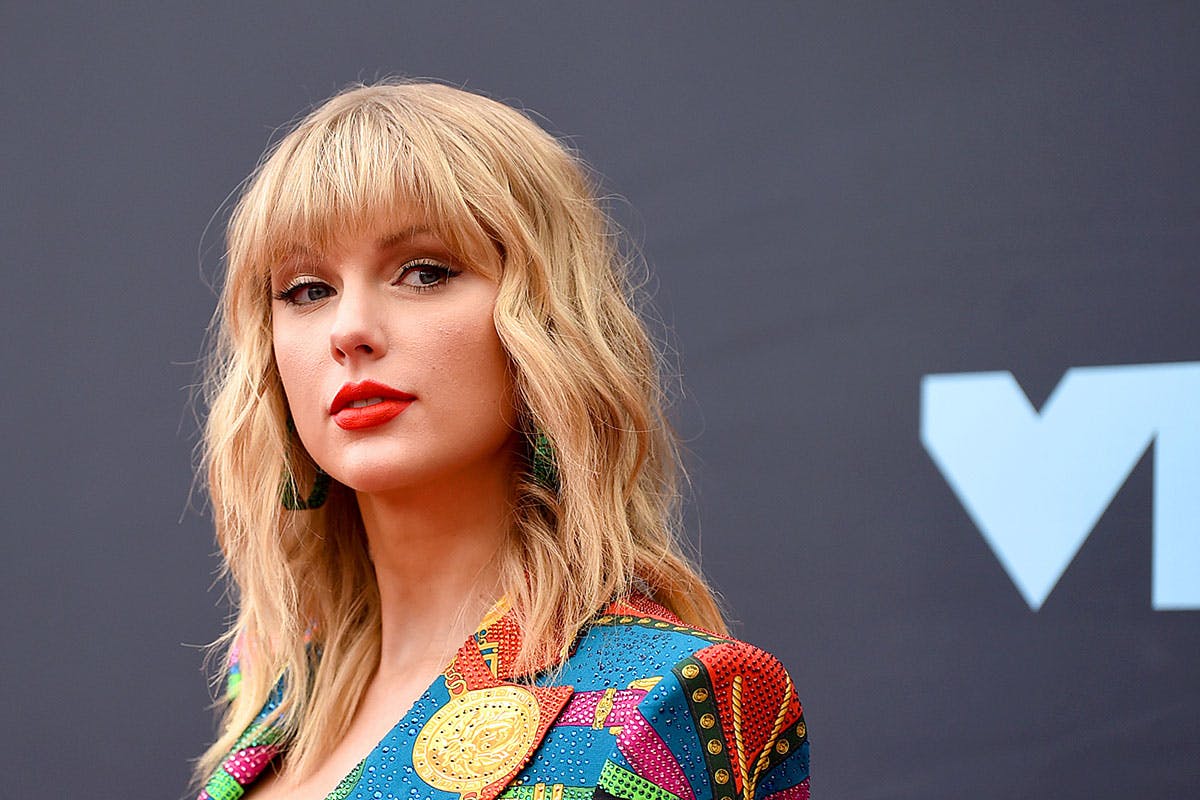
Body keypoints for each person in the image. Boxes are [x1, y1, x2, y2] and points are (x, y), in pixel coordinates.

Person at [193, 80, 810, 800]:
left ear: (545, 321)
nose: (348, 329)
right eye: (305, 290)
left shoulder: (670, 700)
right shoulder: (271, 679)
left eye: (423, 273)